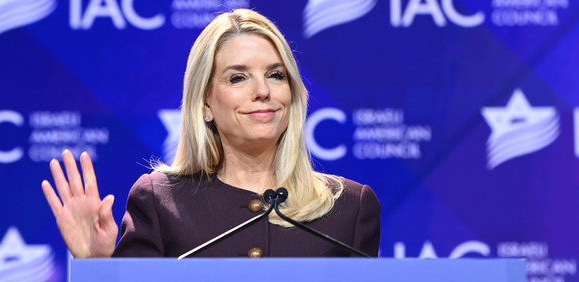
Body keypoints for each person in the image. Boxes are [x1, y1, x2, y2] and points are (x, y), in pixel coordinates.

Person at [42, 9, 380, 259]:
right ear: (205, 102)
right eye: (238, 78)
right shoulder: (161, 202)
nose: (263, 90)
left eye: (276, 75)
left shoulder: (349, 208)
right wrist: (95, 267)